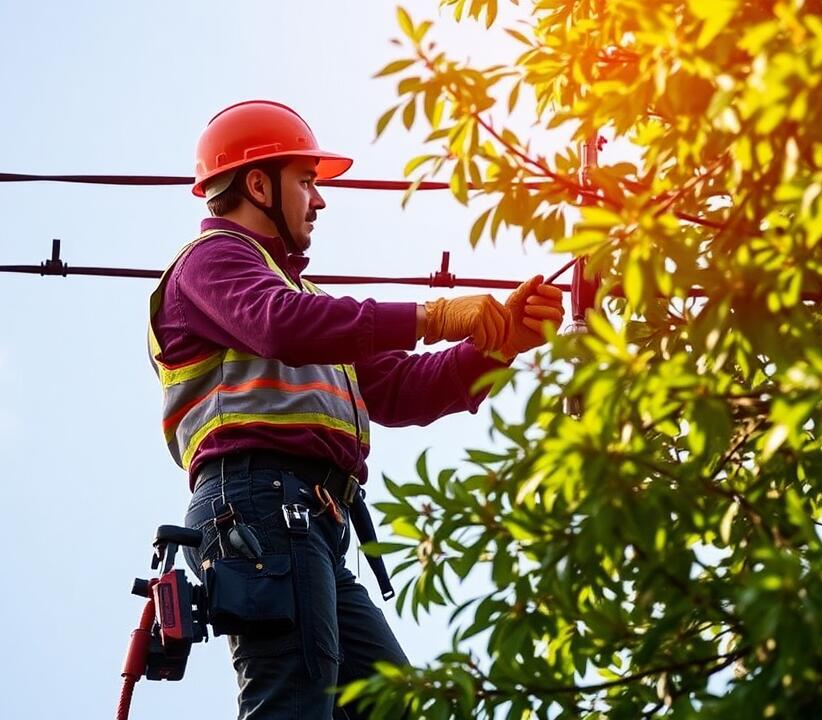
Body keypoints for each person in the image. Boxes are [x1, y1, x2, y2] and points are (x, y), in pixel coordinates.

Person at [146, 100, 564, 719]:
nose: (319, 200)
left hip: (306, 522)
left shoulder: (305, 300)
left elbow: (396, 391)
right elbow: (281, 326)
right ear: (258, 184)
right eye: (307, 181)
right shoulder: (212, 263)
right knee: (292, 704)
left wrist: (494, 349)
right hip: (260, 506)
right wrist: (434, 315)